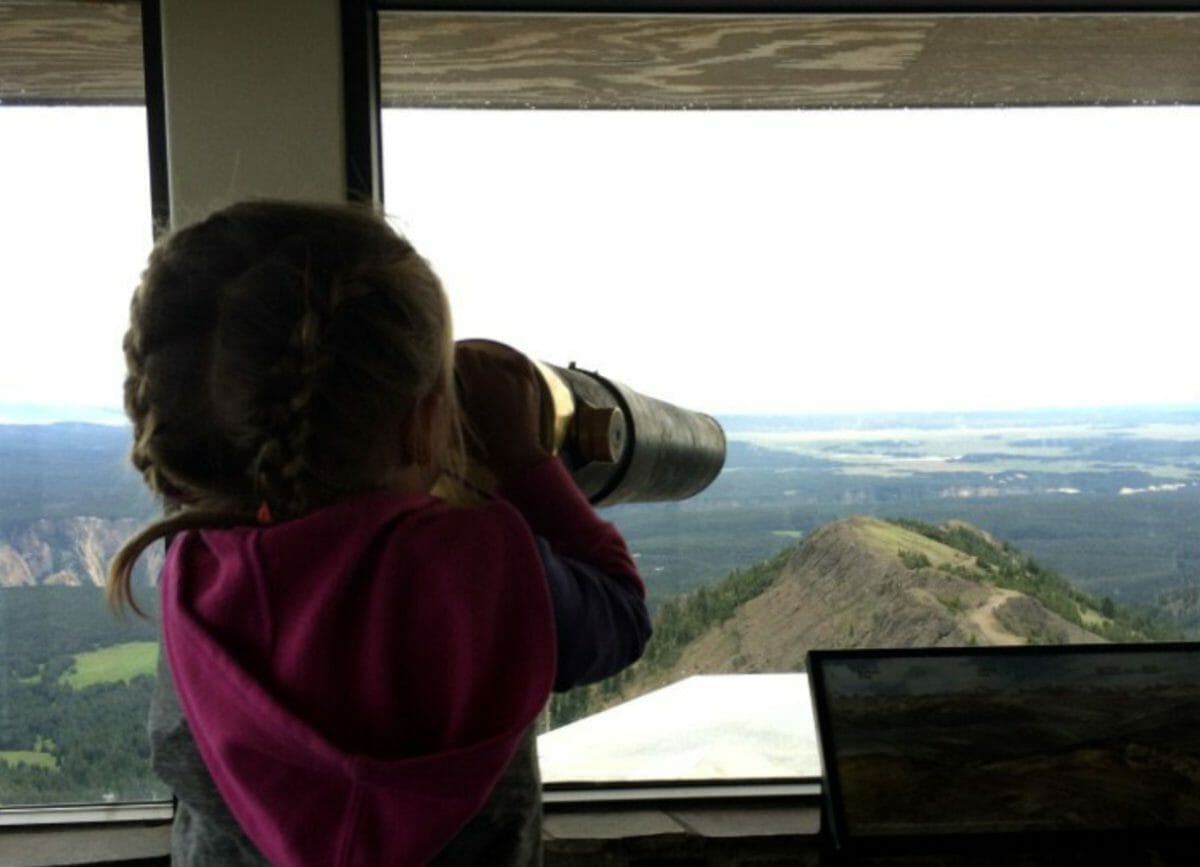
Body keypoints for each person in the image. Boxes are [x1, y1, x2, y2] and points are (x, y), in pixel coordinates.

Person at [106, 200, 652, 866]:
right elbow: (621, 615)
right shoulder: (476, 566)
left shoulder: (196, 574)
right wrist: (523, 459)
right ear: (423, 425)